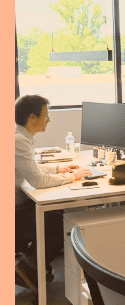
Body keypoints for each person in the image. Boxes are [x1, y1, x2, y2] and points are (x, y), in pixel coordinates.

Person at [15, 95, 92, 286]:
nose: (49, 120)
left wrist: (59, 169)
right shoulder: (18, 141)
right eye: (46, 115)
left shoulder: (19, 136)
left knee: (56, 214)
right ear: (32, 117)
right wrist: (73, 177)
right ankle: (28, 268)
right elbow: (38, 180)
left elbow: (31, 167)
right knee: (62, 223)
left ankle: (29, 264)